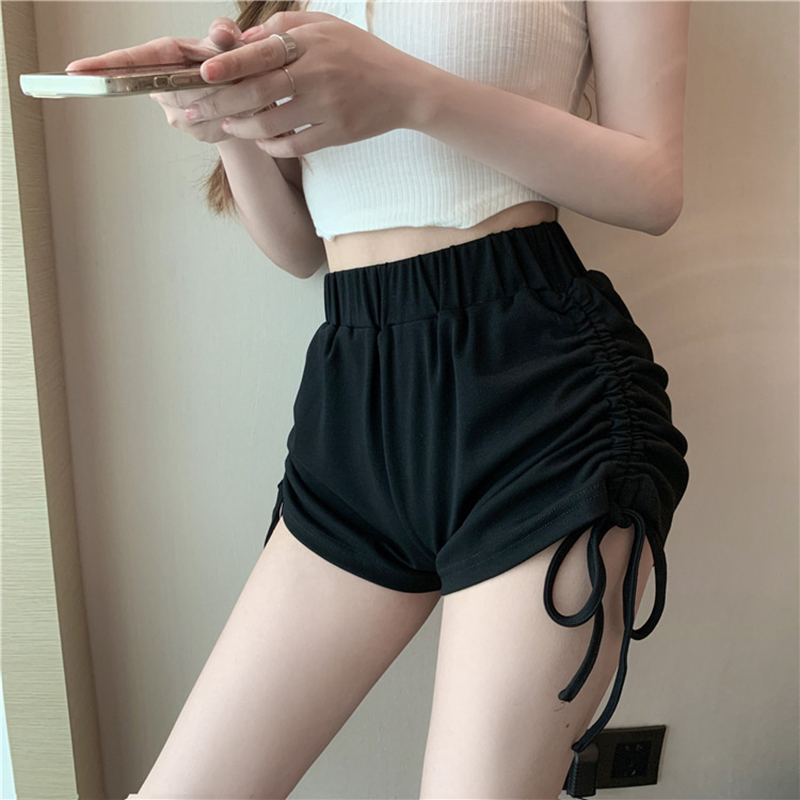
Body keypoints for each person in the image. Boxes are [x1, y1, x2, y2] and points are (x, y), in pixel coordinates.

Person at [67, 1, 691, 797]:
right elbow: (301, 248)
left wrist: (407, 90)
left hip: (538, 400)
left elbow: (652, 187)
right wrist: (221, 121)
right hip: (353, 405)